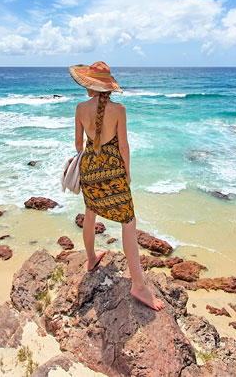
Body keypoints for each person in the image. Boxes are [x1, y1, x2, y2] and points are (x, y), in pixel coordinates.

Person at [70, 61, 165, 311]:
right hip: (113, 169)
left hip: (90, 166)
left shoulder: (80, 108)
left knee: (90, 213)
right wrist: (128, 171)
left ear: (90, 87)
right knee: (128, 222)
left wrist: (89, 153)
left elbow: (79, 145)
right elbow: (123, 147)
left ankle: (91, 258)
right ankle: (138, 286)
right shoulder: (119, 110)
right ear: (109, 88)